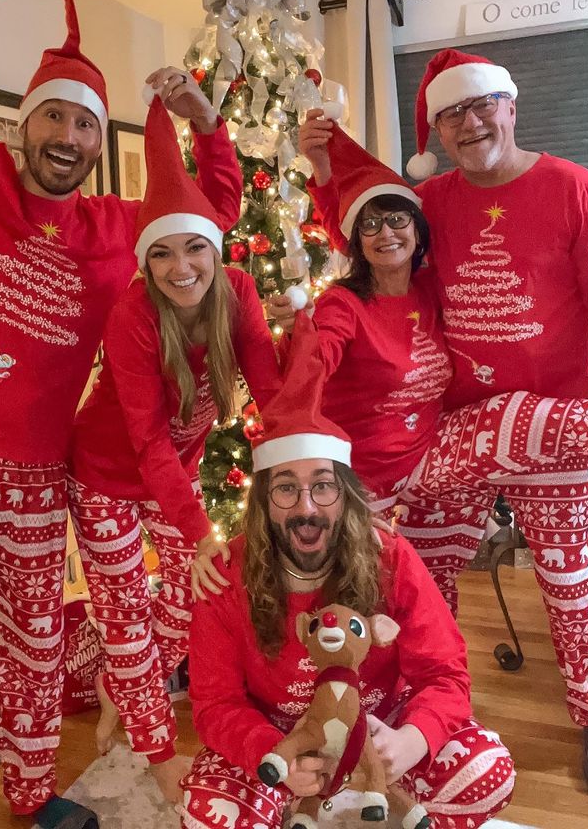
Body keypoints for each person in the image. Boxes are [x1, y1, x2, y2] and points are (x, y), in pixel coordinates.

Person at [0, 0, 239, 829]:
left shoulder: (118, 231)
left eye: (86, 124)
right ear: (22, 124)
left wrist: (205, 121)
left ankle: (33, 793)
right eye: (56, 119)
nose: (71, 139)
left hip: (39, 475)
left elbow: (213, 218)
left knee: (35, 649)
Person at [300, 47, 588, 791]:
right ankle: (425, 710)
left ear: (510, 106)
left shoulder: (575, 189)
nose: (470, 125)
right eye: (451, 113)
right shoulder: (429, 199)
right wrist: (318, 167)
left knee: (567, 581)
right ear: (436, 126)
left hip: (548, 427)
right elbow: (369, 229)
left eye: (481, 106)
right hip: (455, 433)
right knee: (426, 580)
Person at [180, 310, 515, 829]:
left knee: (487, 769)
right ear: (264, 501)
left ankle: (384, 794)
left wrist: (410, 741)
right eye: (286, 487)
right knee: (207, 814)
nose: (306, 506)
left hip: (380, 729)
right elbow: (214, 704)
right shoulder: (226, 575)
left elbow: (445, 672)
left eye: (323, 484)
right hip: (283, 740)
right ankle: (296, 804)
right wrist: (278, 757)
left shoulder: (389, 556)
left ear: (346, 495)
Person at [68, 97, 280, 803]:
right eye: (160, 251)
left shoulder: (239, 291)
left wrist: (310, 464)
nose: (179, 266)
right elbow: (145, 439)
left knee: (192, 606)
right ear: (145, 260)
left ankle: (121, 687)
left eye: (193, 247)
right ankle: (155, 750)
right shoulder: (132, 314)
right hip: (104, 478)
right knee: (127, 614)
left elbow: (272, 395)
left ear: (214, 251)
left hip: (172, 477)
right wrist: (197, 535)